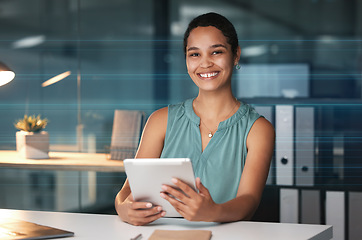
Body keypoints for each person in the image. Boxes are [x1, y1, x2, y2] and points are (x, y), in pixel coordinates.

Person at [114, 12, 275, 226]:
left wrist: (213, 211)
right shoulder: (160, 120)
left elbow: (249, 201)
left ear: (235, 55)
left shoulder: (257, 129)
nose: (205, 63)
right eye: (195, 54)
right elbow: (127, 191)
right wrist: (124, 210)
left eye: (216, 52)